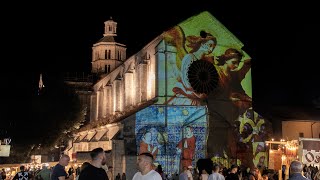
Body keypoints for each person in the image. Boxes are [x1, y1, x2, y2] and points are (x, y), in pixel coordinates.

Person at [164, 27, 217, 106]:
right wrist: (198, 94)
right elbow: (187, 81)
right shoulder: (190, 57)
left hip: (196, 100)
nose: (211, 49)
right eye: (210, 45)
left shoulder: (203, 63)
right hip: (187, 99)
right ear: (202, 43)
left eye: (213, 47)